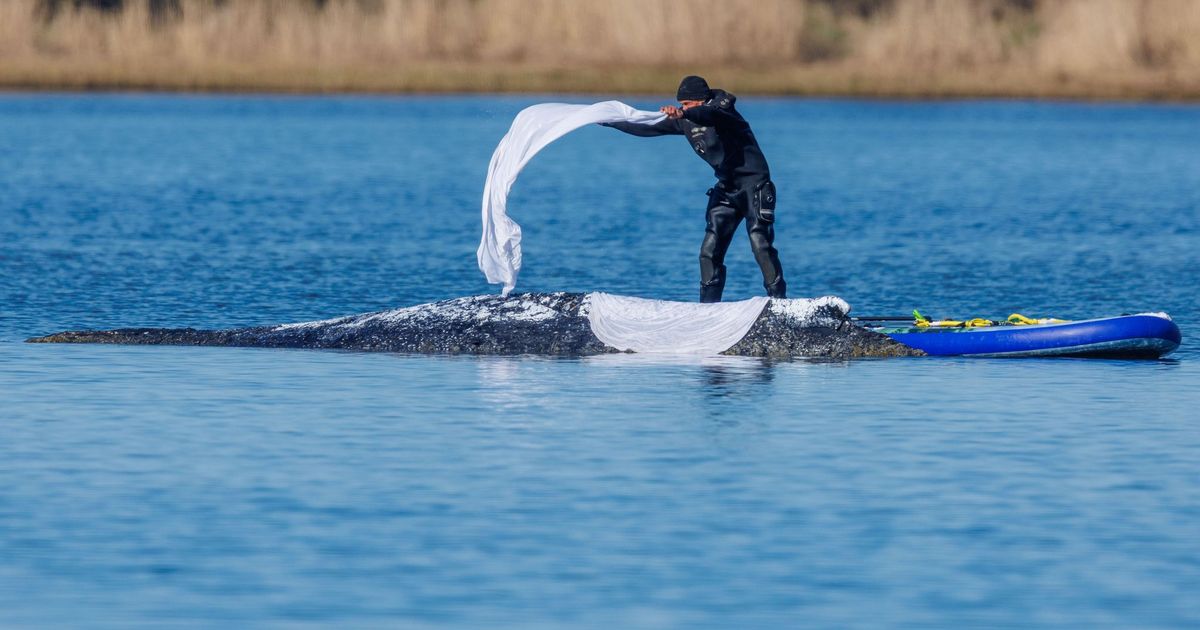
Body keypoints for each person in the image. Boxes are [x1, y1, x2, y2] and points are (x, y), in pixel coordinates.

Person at [602, 75, 786, 302]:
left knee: (760, 243)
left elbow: (709, 115)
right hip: (727, 189)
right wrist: (608, 121)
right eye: (681, 104)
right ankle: (707, 308)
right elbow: (646, 128)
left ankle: (778, 302)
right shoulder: (686, 119)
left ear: (701, 100)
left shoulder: (724, 110)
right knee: (709, 252)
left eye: (687, 103)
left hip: (754, 186)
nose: (683, 107)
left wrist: (684, 114)